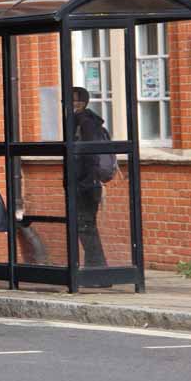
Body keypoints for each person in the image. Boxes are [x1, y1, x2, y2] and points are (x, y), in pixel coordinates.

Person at [72, 86, 108, 270]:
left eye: (76, 100)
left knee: (85, 226)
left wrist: (86, 181)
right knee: (86, 226)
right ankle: (94, 267)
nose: (72, 104)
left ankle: (97, 268)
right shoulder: (78, 121)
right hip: (82, 182)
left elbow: (91, 155)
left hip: (86, 183)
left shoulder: (85, 122)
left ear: (83, 102)